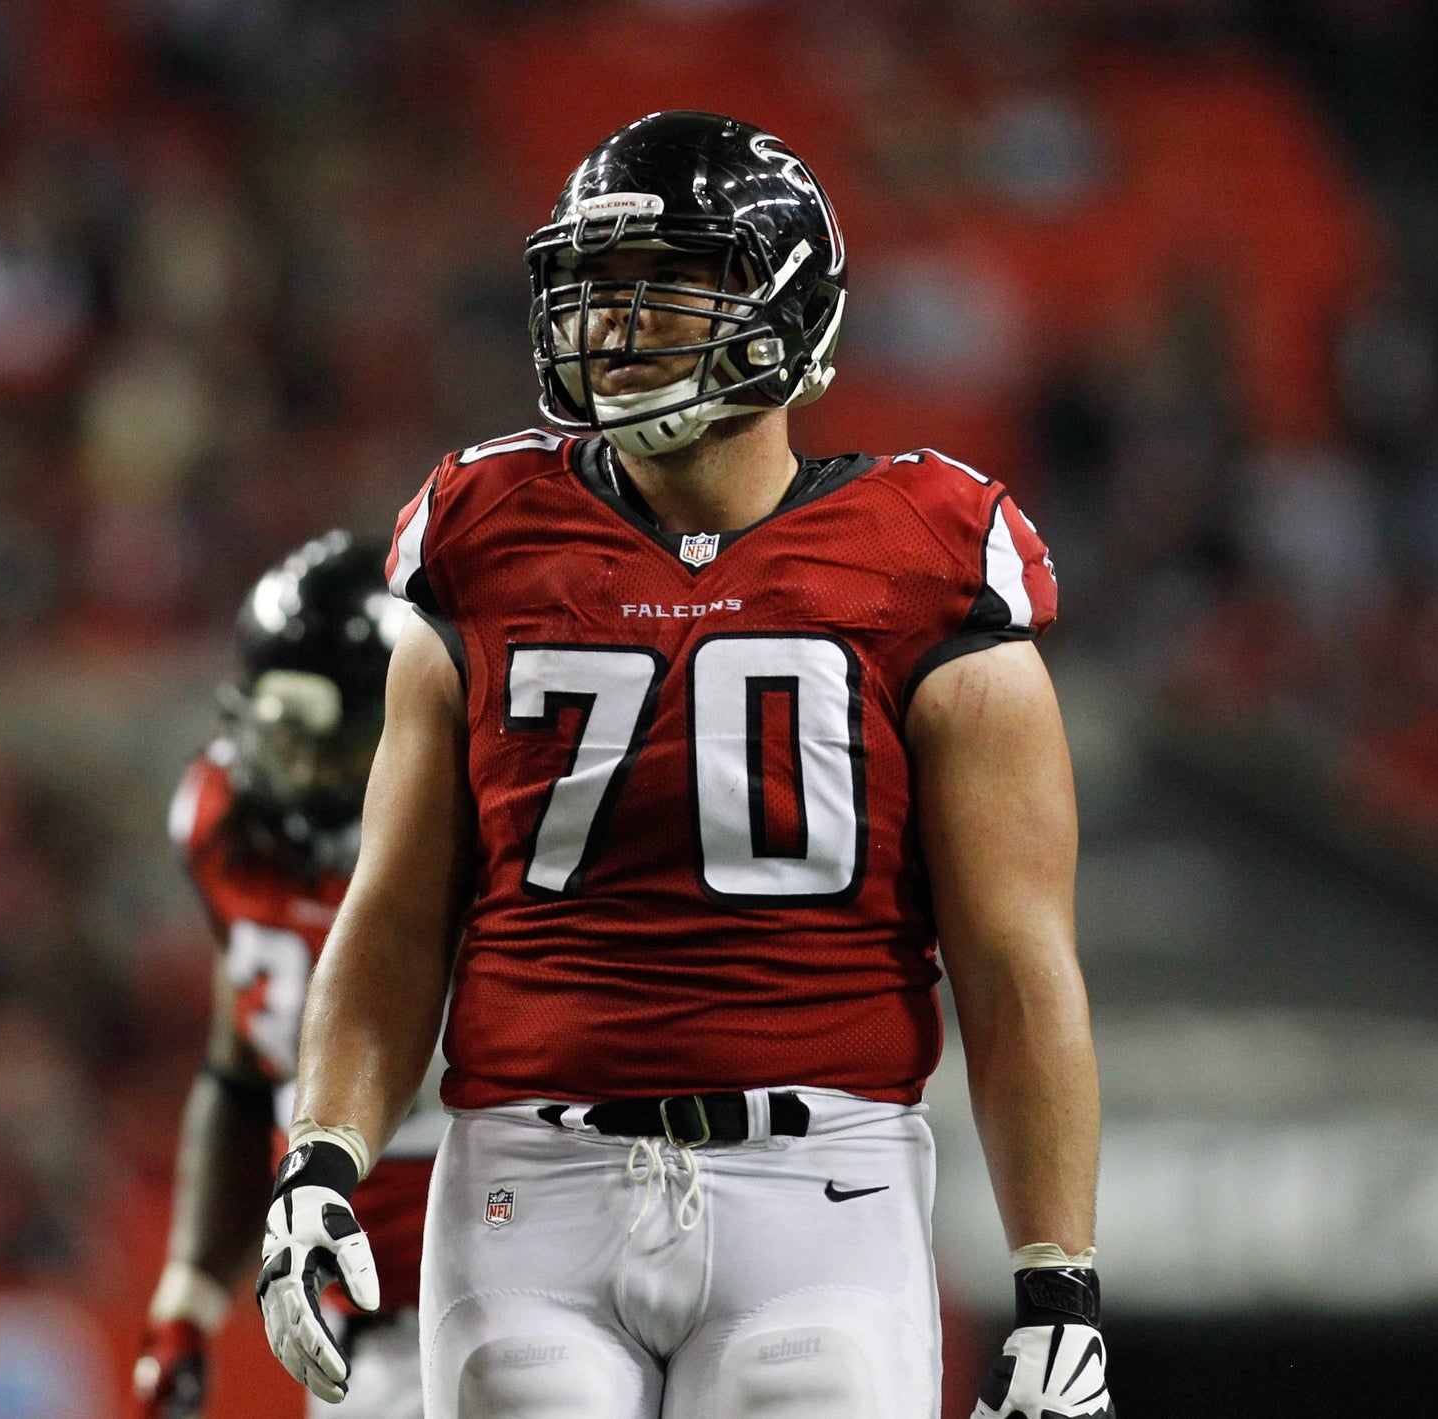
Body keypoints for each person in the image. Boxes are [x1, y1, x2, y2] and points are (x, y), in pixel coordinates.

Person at [258, 112, 1111, 1419]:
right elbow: (396, 909)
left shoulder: (932, 548)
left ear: (784, 302)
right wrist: (321, 1153)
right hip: (526, 1181)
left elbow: (1015, 955)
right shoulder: (484, 532)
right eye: (592, 290)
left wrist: (1059, 1277)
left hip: (822, 1183)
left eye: (658, 285)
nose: (608, 325)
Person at [136, 533, 439, 1419]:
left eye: (325, 746)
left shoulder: (482, 832)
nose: (292, 774)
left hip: (524, 1289)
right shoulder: (222, 822)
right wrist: (186, 1300)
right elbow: (241, 1070)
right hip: (353, 1330)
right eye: (277, 740)